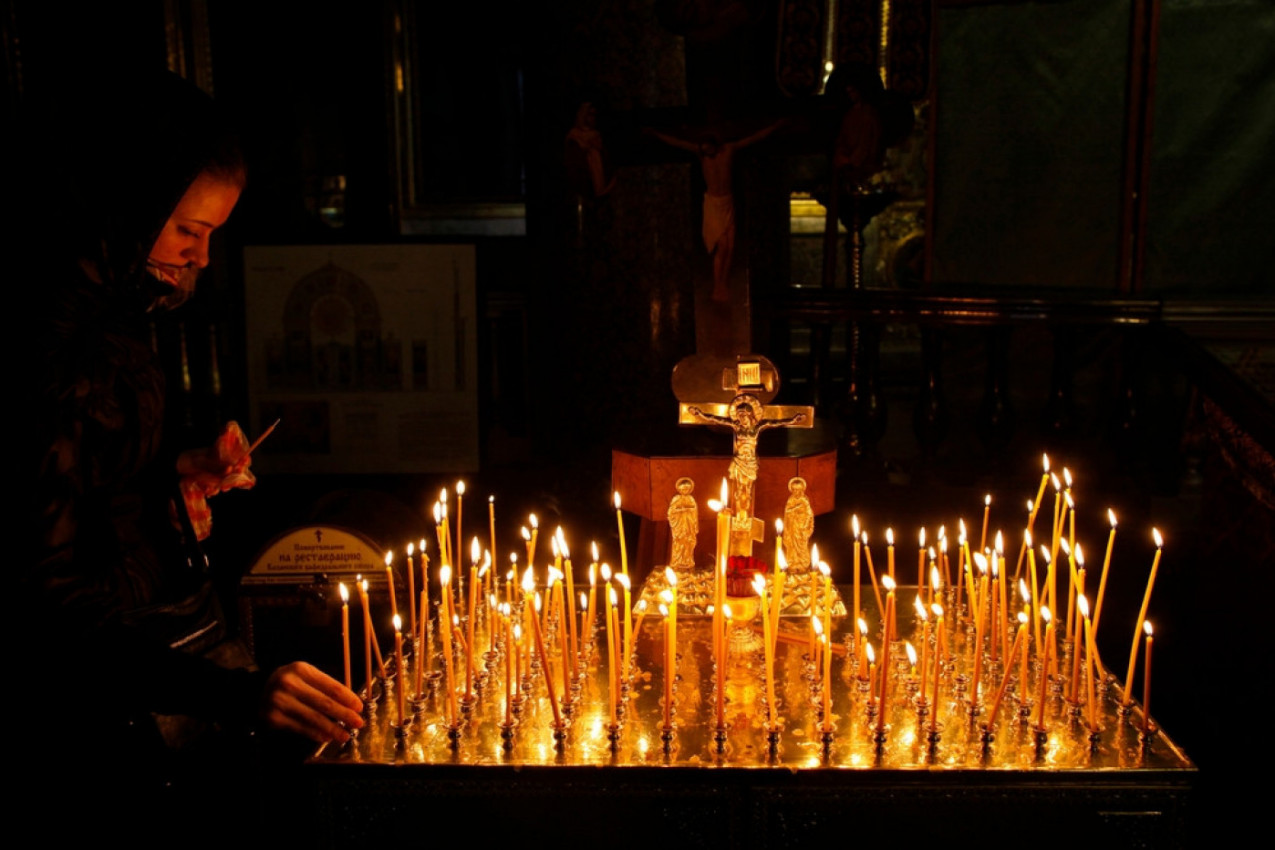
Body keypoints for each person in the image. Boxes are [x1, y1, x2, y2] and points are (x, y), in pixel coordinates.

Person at [16, 70, 361, 837]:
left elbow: (93, 472)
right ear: (123, 205)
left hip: (167, 660)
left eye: (211, 235)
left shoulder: (116, 310)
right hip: (107, 711)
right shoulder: (50, 348)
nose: (198, 259)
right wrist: (237, 695)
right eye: (185, 231)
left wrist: (175, 475)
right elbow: (47, 598)